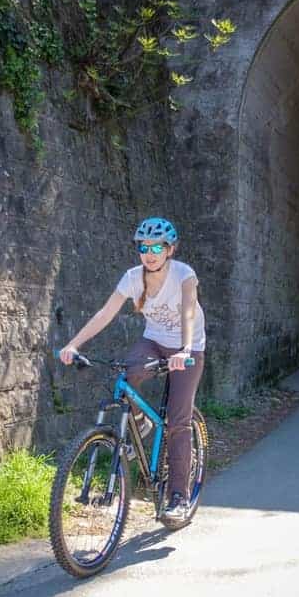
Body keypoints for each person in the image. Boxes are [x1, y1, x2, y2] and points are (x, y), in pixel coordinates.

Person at [58, 217, 207, 525]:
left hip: (188, 348)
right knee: (129, 372)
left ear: (170, 249)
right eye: (143, 247)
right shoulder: (132, 278)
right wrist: (73, 344)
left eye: (156, 247)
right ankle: (140, 425)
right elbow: (105, 313)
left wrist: (185, 350)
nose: (149, 253)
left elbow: (189, 310)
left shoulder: (183, 274)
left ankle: (177, 497)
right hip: (153, 341)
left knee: (178, 421)